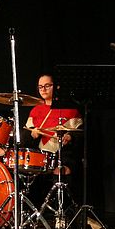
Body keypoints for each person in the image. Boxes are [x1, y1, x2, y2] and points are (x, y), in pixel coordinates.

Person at [23, 73, 82, 214]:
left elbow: (81, 136)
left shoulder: (70, 110)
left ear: (57, 87)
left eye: (47, 86)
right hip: (40, 159)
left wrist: (70, 136)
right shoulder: (35, 110)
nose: (43, 89)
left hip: (64, 156)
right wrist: (32, 134)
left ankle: (64, 215)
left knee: (63, 170)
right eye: (40, 87)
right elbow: (25, 139)